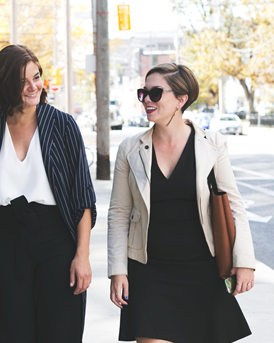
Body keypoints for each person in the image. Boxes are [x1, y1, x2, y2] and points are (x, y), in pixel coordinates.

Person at [0, 44, 96, 343]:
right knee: (8, 332)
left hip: (56, 239)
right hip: (3, 242)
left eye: (37, 76)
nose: (34, 87)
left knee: (60, 331)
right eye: (22, 81)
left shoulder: (63, 125)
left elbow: (82, 197)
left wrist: (82, 256)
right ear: (5, 85)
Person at [107, 63, 255, 343]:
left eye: (155, 93)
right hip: (149, 270)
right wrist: (118, 271)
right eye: (143, 93)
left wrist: (244, 261)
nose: (147, 100)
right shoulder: (130, 148)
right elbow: (118, 213)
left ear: (181, 99)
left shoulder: (212, 144)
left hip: (202, 269)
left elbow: (234, 207)